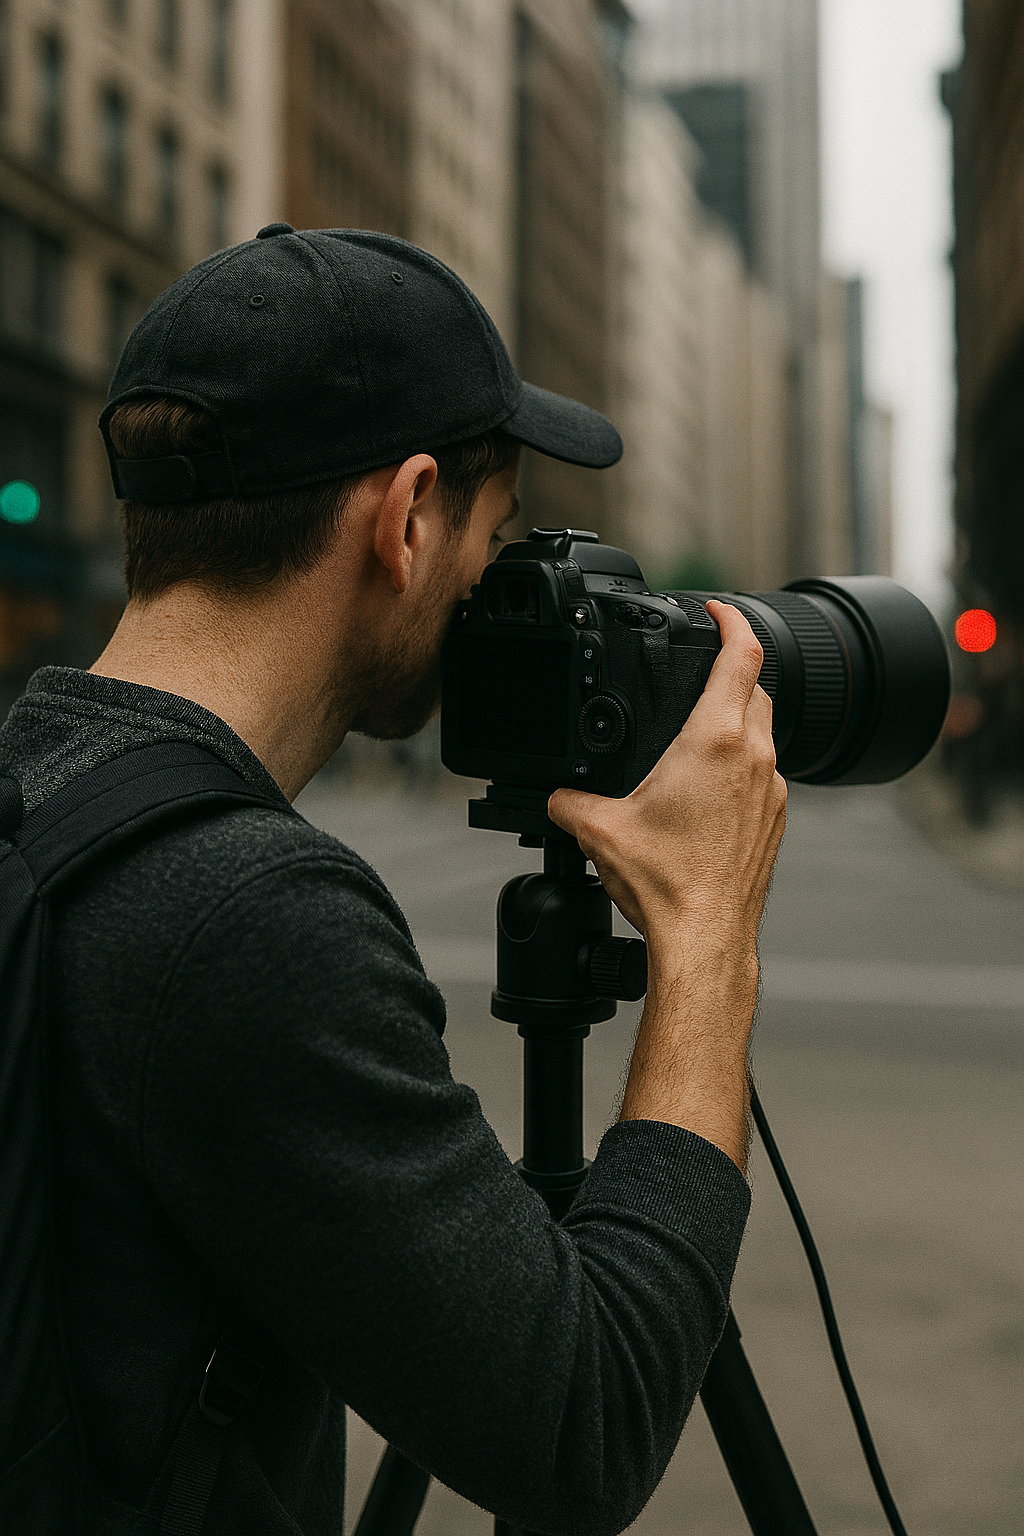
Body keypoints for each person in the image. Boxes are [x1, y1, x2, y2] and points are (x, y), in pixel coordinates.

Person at [0, 227, 786, 1536]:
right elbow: (583, 1427)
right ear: (409, 516)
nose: (502, 583)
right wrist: (706, 935)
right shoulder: (248, 911)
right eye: (503, 530)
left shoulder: (36, 778)